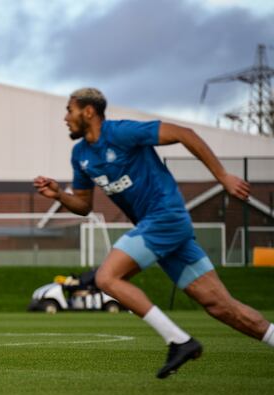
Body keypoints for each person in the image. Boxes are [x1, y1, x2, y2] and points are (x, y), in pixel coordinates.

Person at [34, 88, 274, 378]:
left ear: (88, 112)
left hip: (166, 216)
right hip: (160, 229)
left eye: (69, 110)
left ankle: (179, 341)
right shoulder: (80, 155)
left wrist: (222, 176)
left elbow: (185, 133)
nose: (65, 118)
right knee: (221, 307)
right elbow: (84, 206)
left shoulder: (122, 133)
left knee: (107, 277)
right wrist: (60, 194)